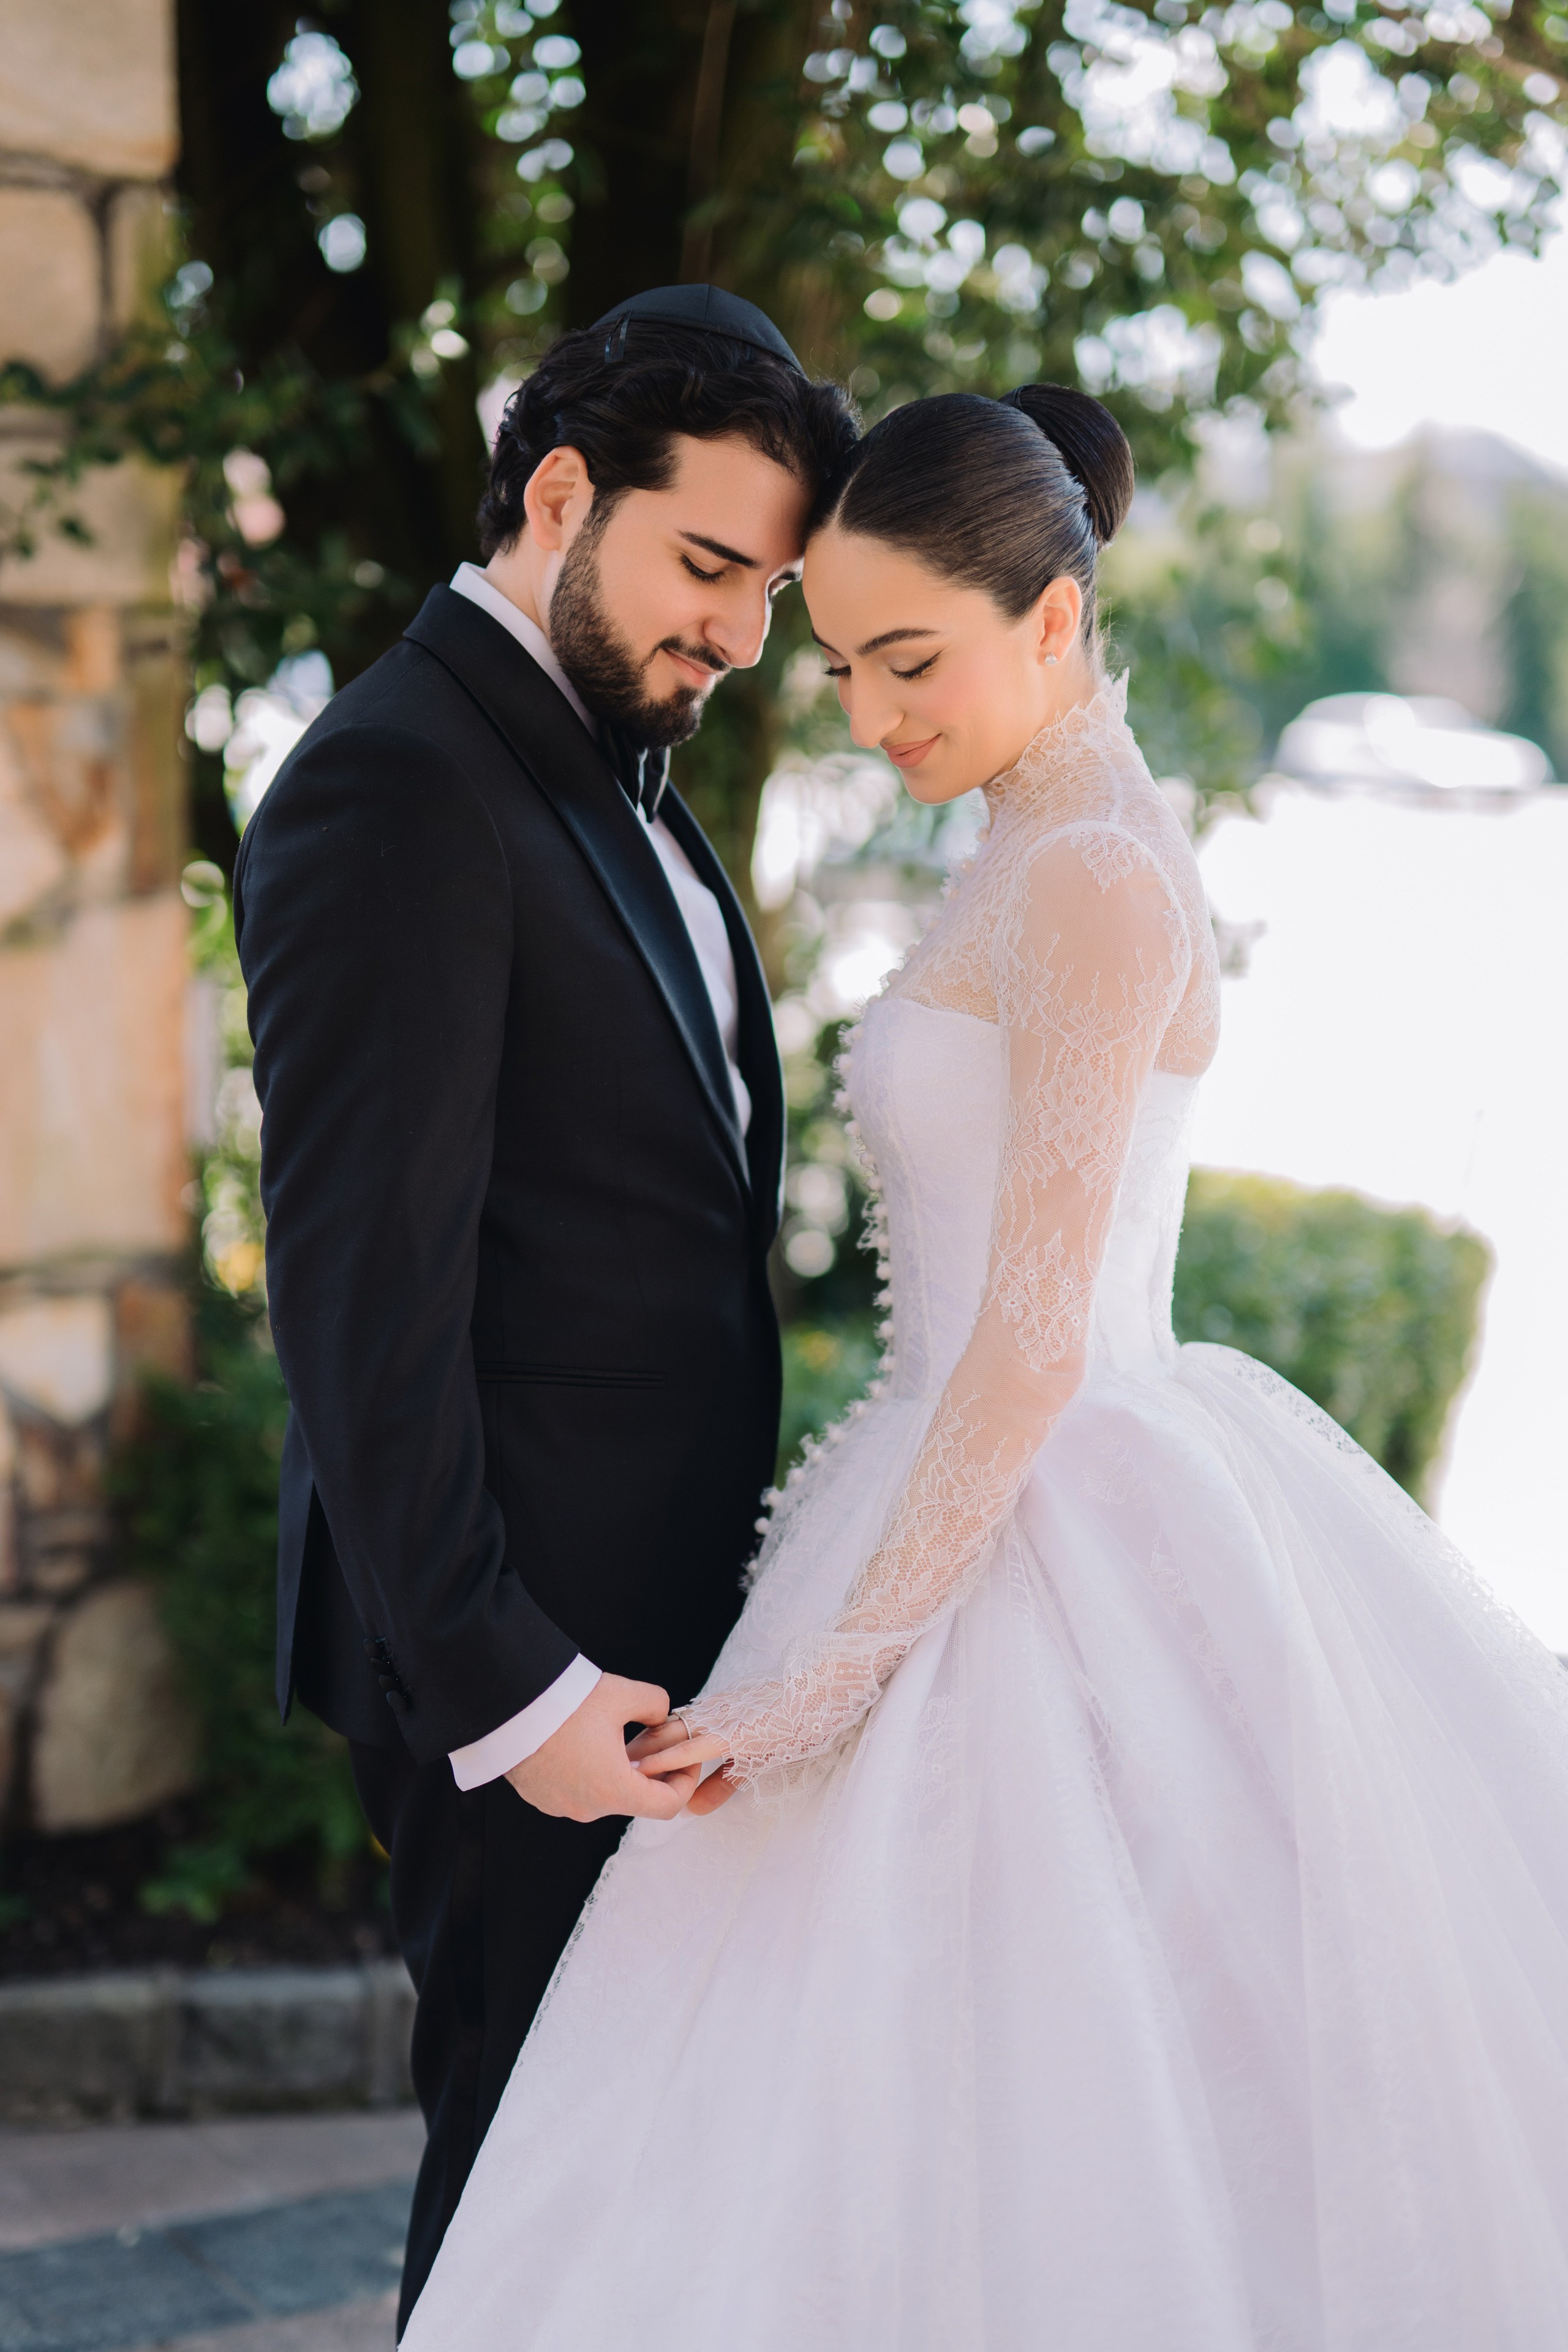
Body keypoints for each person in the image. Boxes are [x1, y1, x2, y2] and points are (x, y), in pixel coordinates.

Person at [401, 383, 1568, 2350]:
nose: (868, 715)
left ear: (1053, 617)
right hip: (944, 1485)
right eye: (846, 665)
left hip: (1052, 1513)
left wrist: (824, 1684)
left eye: (910, 662)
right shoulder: (1030, 840)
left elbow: (1032, 1346)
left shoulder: (1096, 876)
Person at [232, 285, 858, 2331]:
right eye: (706, 569)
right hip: (527, 1671)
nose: (740, 637)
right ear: (560, 490)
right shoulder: (396, 783)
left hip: (648, 1659)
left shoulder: (609, 767)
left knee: (623, 2194)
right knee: (521, 2199)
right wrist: (515, 1693)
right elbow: (356, 1301)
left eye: (769, 590)